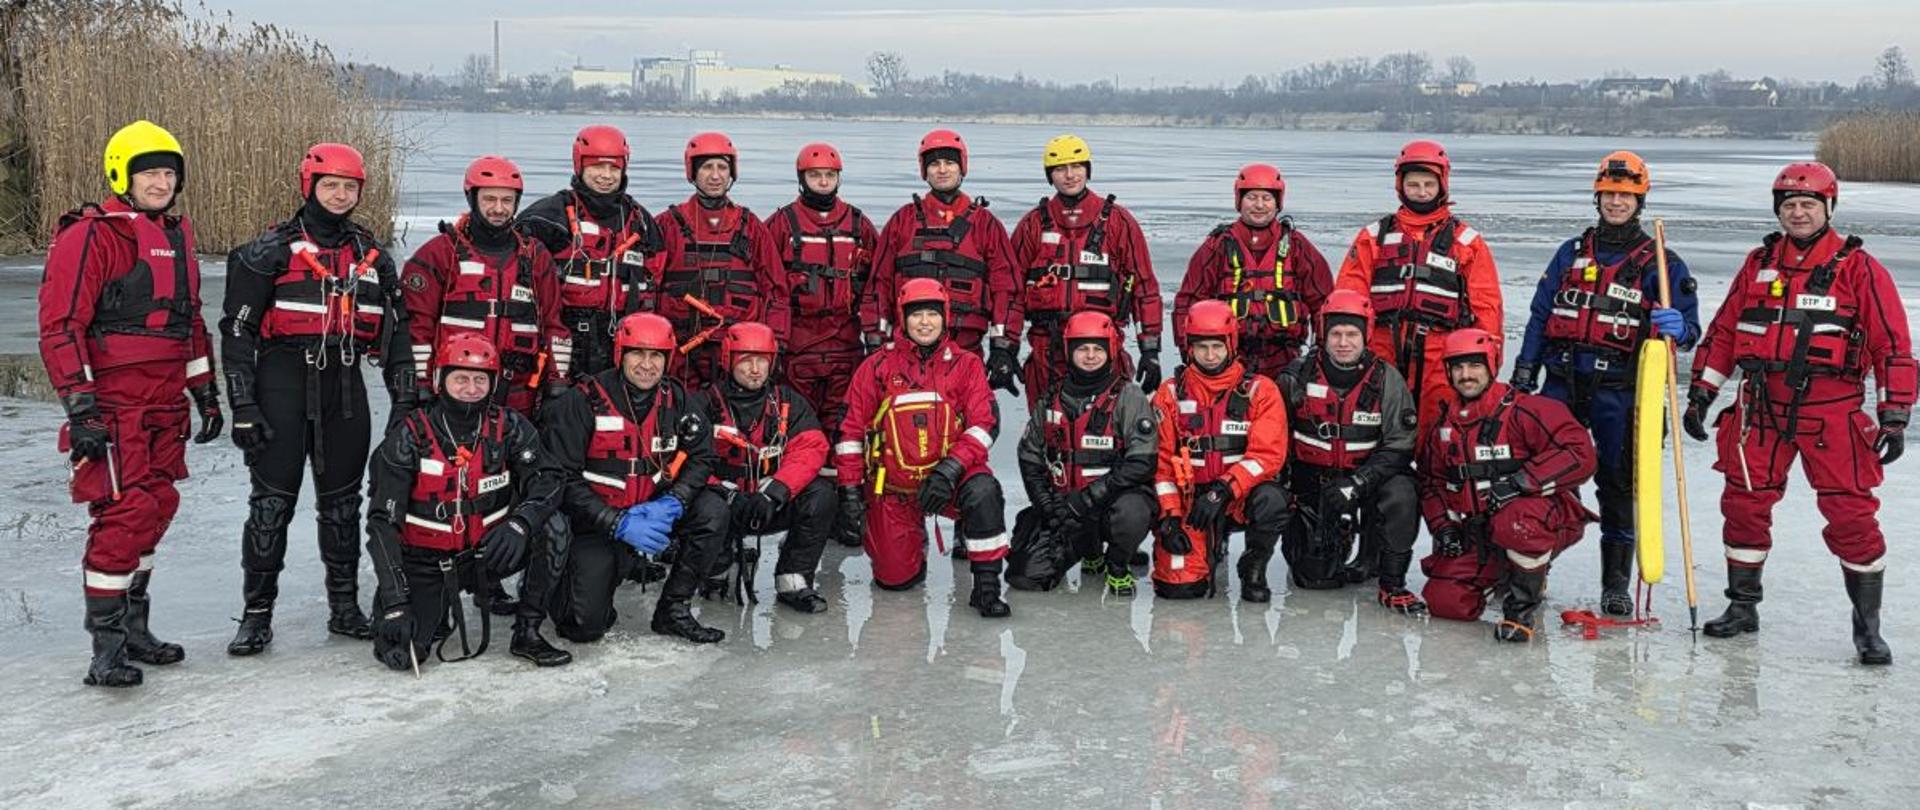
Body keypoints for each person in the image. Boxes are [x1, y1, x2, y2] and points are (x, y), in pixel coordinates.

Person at [1683, 161, 1914, 665]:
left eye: (1809, 204)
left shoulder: (1860, 269)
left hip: (1832, 411)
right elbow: (1725, 333)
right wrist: (1701, 393)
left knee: (1852, 516)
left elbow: (1891, 345)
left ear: (1829, 208)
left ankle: (1868, 630)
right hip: (1760, 408)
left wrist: (1895, 413)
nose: (1799, 213)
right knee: (1743, 504)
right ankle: (1742, 607)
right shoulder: (1758, 263)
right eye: (1789, 205)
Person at [39, 120, 221, 687]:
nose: (161, 183)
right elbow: (61, 326)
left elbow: (189, 322)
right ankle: (107, 649)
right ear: (123, 176)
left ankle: (135, 629)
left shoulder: (178, 234)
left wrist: (206, 392)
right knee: (125, 515)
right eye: (149, 174)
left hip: (165, 404)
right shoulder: (91, 236)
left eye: (168, 173)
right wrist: (81, 409)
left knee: (158, 507)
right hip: (115, 406)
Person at [217, 142, 410, 656]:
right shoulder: (268, 252)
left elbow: (399, 335)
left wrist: (404, 403)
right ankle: (256, 616)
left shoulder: (373, 257)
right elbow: (236, 333)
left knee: (343, 506)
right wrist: (242, 406)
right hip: (279, 387)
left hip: (344, 393)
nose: (341, 195)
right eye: (331, 186)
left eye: (350, 187)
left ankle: (344, 609)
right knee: (270, 507)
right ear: (310, 186)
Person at [1510, 151, 1701, 618]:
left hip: (1622, 390)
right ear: (1597, 197)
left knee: (1618, 484)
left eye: (1626, 196)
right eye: (1609, 194)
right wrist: (1524, 369)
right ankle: (1532, 569)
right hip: (1562, 382)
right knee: (1542, 476)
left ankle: (1615, 583)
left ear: (1640, 201)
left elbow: (1691, 329)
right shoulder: (1570, 253)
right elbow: (1540, 313)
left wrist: (1680, 329)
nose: (1617, 202)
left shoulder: (1662, 263)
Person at [363, 334, 570, 669]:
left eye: (480, 380)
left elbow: (549, 479)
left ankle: (528, 631)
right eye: (461, 378)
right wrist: (395, 601)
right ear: (439, 380)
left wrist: (520, 523)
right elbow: (381, 525)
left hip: (490, 551)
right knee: (401, 653)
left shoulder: (509, 427)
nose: (471, 388)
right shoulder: (409, 436)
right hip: (427, 562)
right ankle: (431, 608)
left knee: (555, 527)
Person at [543, 312, 731, 644]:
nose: (647, 365)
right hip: (596, 520)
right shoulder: (582, 400)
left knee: (712, 510)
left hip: (653, 510)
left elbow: (703, 456)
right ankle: (575, 578)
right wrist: (614, 522)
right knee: (583, 627)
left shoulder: (677, 399)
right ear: (620, 354)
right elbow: (560, 477)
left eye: (656, 355)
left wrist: (675, 501)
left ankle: (674, 609)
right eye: (637, 354)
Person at [835, 278, 1013, 617]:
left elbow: (985, 425)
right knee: (895, 579)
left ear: (945, 317)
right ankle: (912, 543)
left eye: (933, 314)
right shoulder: (876, 367)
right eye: (916, 315)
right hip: (893, 486)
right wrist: (850, 491)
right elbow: (850, 432)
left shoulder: (966, 364)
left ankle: (987, 587)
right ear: (902, 318)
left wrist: (950, 470)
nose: (925, 322)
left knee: (984, 492)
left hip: (951, 481)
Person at [1419, 329, 1598, 641]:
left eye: (1475, 365)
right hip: (1481, 530)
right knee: (1446, 602)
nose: (1466, 375)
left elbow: (1580, 454)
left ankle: (1521, 610)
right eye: (1458, 367)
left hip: (1540, 519)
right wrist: (1443, 528)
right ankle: (1504, 574)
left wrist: (1521, 482)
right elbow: (1431, 483)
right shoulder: (1444, 426)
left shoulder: (1528, 409)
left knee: (1516, 522)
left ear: (1492, 365)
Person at [1335, 140, 1503, 429]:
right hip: (1380, 350)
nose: (1422, 192)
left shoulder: (1466, 242)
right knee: (1374, 425)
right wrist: (1345, 347)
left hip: (1442, 355)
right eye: (1413, 185)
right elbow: (1348, 298)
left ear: (1443, 185)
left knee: (1437, 429)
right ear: (1400, 185)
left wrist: (1487, 359)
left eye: (1429, 184)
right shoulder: (1373, 238)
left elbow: (1487, 307)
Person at [1274, 291, 1423, 611]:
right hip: (1314, 482)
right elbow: (1274, 439)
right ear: (1323, 334)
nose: (1343, 342)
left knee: (1402, 491)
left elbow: (1401, 445)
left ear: (1366, 335)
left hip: (1367, 480)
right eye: (1336, 334)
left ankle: (1391, 581)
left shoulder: (1387, 380)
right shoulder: (1294, 377)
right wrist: (1289, 488)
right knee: (1315, 577)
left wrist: (1359, 482)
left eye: (1352, 334)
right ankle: (1332, 539)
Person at [764, 142, 879, 546]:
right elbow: (770, 287)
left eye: (829, 175)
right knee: (799, 433)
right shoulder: (781, 224)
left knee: (844, 432)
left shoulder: (860, 225)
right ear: (802, 179)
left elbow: (875, 284)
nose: (823, 182)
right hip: (799, 349)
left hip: (846, 347)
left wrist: (875, 337)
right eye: (815, 176)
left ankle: (843, 513)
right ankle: (801, 511)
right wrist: (774, 343)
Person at [401, 155, 570, 420]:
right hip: (456, 390)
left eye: (507, 201)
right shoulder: (439, 254)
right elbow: (417, 326)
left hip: (519, 391)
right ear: (472, 198)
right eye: (490, 199)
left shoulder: (535, 256)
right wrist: (421, 383)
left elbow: (554, 323)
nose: (499, 209)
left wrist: (558, 380)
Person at [1148, 301, 1291, 601]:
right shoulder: (1170, 393)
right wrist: (1170, 517)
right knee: (1180, 589)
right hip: (1190, 502)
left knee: (1273, 500)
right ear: (1189, 348)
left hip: (1238, 497)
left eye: (1217, 346)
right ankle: (1204, 546)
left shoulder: (1260, 391)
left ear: (1231, 345)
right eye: (1202, 347)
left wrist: (1223, 490)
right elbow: (1161, 464)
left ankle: (1253, 564)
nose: (1210, 355)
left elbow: (1267, 456)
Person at [861, 129, 1021, 393]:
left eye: (949, 163)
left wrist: (1004, 347)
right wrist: (875, 340)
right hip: (907, 353)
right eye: (934, 164)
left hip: (965, 350)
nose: (942, 170)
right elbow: (879, 284)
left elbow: (1007, 289)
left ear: (962, 167)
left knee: (973, 413)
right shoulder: (902, 222)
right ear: (924, 171)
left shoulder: (986, 225)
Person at [1010, 134, 1163, 407]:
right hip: (1047, 350)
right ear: (1049, 175)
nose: (1070, 175)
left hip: (1102, 349)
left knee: (1107, 423)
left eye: (1077, 166)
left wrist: (1150, 349)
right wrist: (1005, 347)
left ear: (1088, 170)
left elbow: (1144, 288)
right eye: (1060, 169)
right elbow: (1010, 292)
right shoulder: (1032, 225)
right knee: (1047, 425)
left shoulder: (1118, 222)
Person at [1015, 311, 1159, 596]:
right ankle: (1088, 552)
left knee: (1132, 513)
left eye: (1098, 349)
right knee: (1026, 576)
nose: (1091, 356)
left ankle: (1117, 564)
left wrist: (1089, 498)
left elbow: (1142, 462)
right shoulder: (1051, 398)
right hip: (1065, 506)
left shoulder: (1129, 396)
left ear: (1111, 351)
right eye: (1082, 349)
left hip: (1110, 502)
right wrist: (1045, 503)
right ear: (1069, 351)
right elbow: (1029, 455)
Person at [699, 321, 835, 612]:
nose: (755, 369)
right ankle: (717, 569)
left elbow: (811, 447)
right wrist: (727, 495)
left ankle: (793, 579)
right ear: (728, 360)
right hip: (724, 504)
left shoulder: (788, 402)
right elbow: (686, 462)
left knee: (821, 495)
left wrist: (776, 491)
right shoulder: (703, 404)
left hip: (769, 504)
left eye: (762, 361)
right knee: (704, 503)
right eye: (746, 360)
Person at [517, 125, 667, 379]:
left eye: (614, 168)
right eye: (597, 166)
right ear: (579, 165)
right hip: (564, 341)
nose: (606, 176)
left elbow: (657, 281)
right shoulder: (548, 217)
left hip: (622, 344)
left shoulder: (642, 223)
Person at [653, 131, 790, 390]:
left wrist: (776, 343)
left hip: (738, 350)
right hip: (682, 348)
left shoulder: (752, 227)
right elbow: (649, 286)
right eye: (707, 167)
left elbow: (776, 291)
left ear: (732, 173)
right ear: (692, 172)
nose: (715, 176)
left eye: (722, 168)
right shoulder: (667, 225)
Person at [1175, 163, 1331, 379]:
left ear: (1278, 203)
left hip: (1285, 360)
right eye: (1251, 197)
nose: (1259, 205)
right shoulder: (1217, 245)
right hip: (1227, 361)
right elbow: (1189, 301)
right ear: (1239, 201)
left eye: (1267, 198)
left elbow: (1324, 303)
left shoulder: (1297, 246)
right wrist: (1187, 349)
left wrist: (1321, 353)